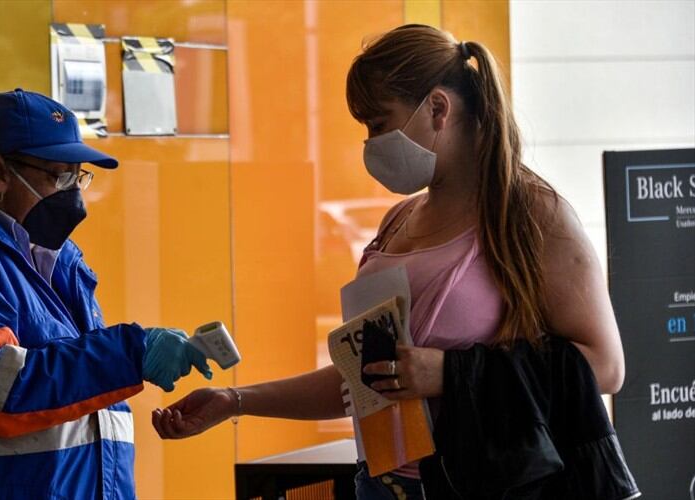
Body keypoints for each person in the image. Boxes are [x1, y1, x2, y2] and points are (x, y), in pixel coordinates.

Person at [152, 25, 626, 500]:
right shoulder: (399, 221)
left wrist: (450, 373)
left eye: (379, 123)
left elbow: (604, 366)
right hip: (383, 483)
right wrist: (235, 401)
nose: (370, 143)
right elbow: (364, 379)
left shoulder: (531, 213)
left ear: (438, 108)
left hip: (487, 484)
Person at [0, 88, 211, 500]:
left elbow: (77, 400)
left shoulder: (60, 259)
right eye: (58, 176)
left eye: (79, 176)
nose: (74, 193)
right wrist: (132, 353)